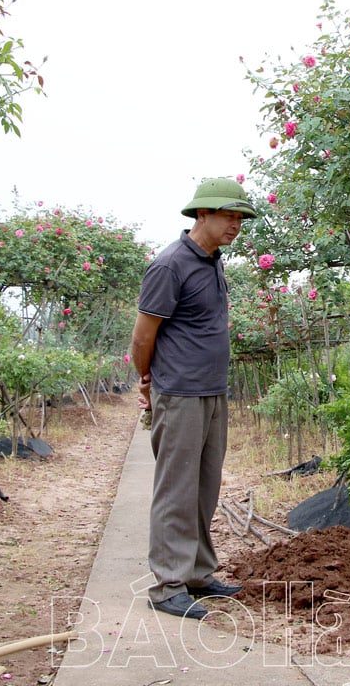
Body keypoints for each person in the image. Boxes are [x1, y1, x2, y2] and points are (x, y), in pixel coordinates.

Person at [129, 177, 256, 620]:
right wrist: (146, 378)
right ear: (201, 214)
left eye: (240, 218)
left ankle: (199, 574)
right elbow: (143, 335)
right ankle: (167, 586)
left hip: (212, 392)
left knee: (204, 487)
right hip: (179, 392)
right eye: (228, 215)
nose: (235, 225)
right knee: (176, 489)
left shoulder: (212, 261)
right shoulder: (170, 265)